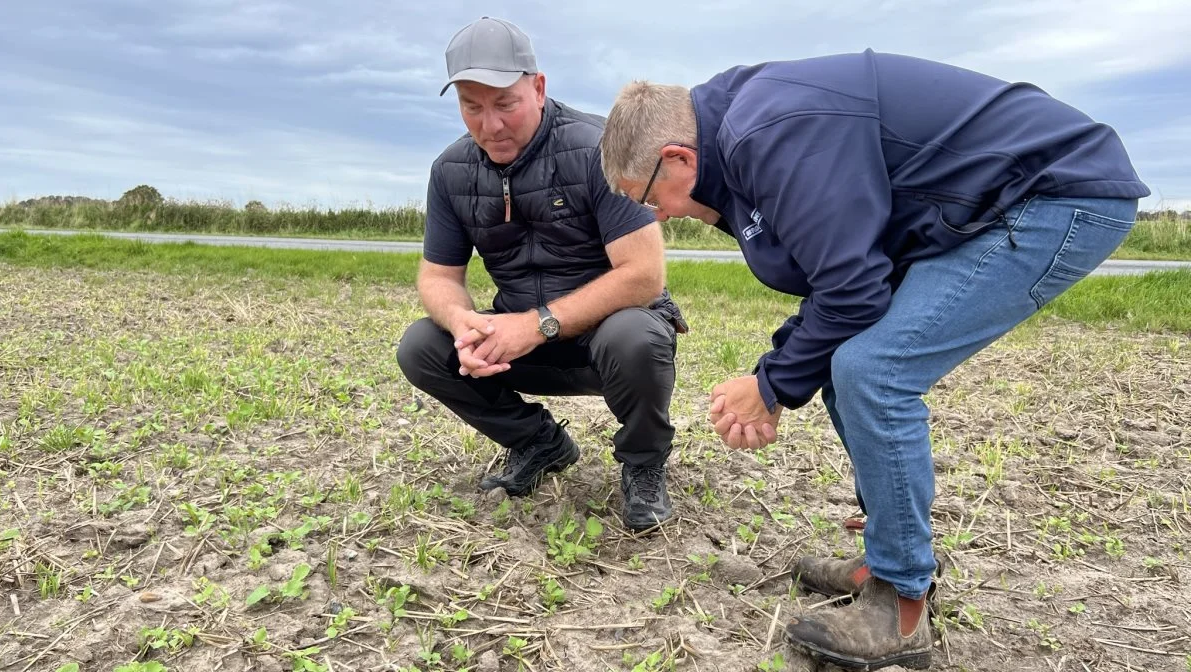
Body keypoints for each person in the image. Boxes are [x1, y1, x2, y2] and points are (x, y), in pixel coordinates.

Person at [599, 49, 1149, 669]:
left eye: (647, 198)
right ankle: (889, 555)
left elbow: (855, 292)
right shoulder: (743, 135)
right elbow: (845, 275)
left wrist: (771, 385)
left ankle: (903, 605)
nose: (659, 216)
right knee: (846, 362)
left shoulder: (769, 132)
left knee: (875, 371)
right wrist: (774, 372)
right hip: (992, 204)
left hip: (1053, 194)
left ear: (678, 159)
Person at [395, 16, 688, 533]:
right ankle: (537, 442)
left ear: (538, 86)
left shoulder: (597, 148)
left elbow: (644, 276)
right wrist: (465, 323)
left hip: (605, 338)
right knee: (421, 344)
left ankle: (644, 466)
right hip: (525, 342)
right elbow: (438, 277)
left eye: (505, 103)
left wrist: (536, 325)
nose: (490, 125)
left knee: (636, 334)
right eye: (472, 106)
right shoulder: (450, 171)